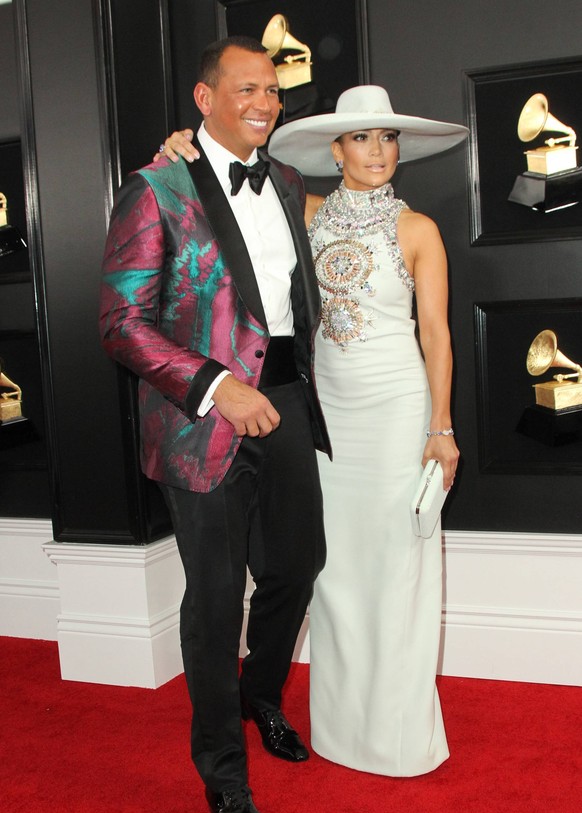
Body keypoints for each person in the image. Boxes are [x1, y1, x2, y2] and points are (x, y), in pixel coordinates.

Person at [160, 84, 468, 777]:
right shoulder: (301, 211)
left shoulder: (418, 229)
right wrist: (179, 147)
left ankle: (394, 732)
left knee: (395, 569)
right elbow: (222, 191)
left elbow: (436, 334)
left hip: (396, 411)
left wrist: (441, 427)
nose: (378, 151)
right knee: (331, 572)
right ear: (335, 150)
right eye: (362, 138)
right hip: (325, 416)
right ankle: (339, 726)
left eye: (388, 138)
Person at [100, 35, 331, 813]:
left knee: (298, 565)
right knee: (211, 603)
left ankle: (259, 691)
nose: (265, 102)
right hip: (202, 420)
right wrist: (214, 387)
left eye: (271, 89)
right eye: (245, 89)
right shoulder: (155, 189)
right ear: (204, 99)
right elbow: (121, 324)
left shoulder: (292, 180)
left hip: (289, 405)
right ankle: (224, 778)